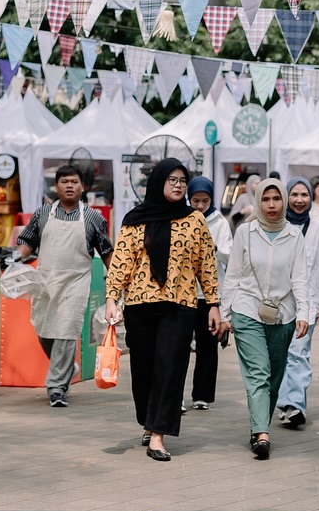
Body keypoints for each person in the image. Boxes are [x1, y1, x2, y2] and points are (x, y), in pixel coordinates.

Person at [104, 158, 220, 462]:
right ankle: (148, 420)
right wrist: (111, 298)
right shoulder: (135, 219)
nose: (178, 185)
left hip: (179, 305)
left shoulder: (195, 220)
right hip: (140, 305)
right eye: (172, 180)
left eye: (182, 180)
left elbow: (206, 264)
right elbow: (122, 261)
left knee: (170, 368)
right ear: (158, 182)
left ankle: (158, 434)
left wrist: (213, 304)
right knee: (143, 370)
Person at [220, 178, 311, 460]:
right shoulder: (245, 233)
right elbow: (233, 275)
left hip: (283, 314)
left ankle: (258, 424)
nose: (271, 205)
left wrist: (304, 313)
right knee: (259, 372)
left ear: (283, 201)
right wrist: (224, 314)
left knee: (274, 376)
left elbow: (300, 278)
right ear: (258, 201)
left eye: (276, 199)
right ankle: (262, 433)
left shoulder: (294, 236)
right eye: (266, 199)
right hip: (246, 309)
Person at [15, 164, 113, 408]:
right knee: (43, 329)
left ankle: (57, 388)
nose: (70, 186)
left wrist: (116, 282)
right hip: (46, 282)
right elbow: (27, 241)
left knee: (66, 331)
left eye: (74, 182)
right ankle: (69, 368)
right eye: (65, 182)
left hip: (76, 283)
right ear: (56, 187)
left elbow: (106, 251)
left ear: (82, 187)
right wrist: (14, 258)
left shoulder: (93, 218)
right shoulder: (43, 214)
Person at [276, 178, 319, 428]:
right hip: (278, 304)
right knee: (279, 356)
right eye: (294, 194)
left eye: (304, 195)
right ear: (286, 197)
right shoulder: (276, 225)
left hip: (308, 304)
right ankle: (284, 401)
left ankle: (295, 405)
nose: (299, 200)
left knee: (298, 354)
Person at [187, 175, 233, 410]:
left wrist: (213, 247)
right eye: (195, 200)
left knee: (207, 346)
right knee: (178, 347)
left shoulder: (220, 222)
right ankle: (174, 395)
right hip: (184, 293)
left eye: (205, 201)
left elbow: (229, 255)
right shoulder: (181, 217)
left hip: (209, 295)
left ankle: (202, 395)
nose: (200, 205)